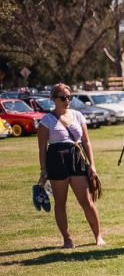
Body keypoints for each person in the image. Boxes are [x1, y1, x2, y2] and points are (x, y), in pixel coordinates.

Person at [36, 83, 105, 248]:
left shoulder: (78, 115)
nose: (67, 100)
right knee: (60, 202)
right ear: (54, 99)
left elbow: (86, 142)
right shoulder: (46, 121)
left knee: (87, 201)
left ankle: (98, 236)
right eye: (63, 98)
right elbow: (42, 148)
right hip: (56, 160)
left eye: (69, 97)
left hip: (76, 158)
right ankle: (67, 239)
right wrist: (44, 171)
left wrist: (92, 165)